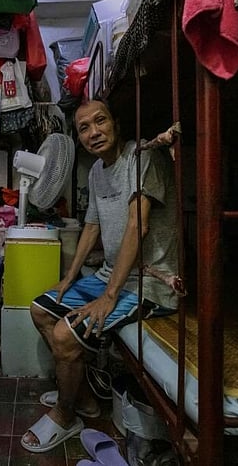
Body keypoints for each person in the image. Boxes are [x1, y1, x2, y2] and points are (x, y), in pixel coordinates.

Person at [20, 99, 181, 453]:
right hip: (111, 274)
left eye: (100, 121)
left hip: (149, 283)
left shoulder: (142, 158)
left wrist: (109, 296)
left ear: (116, 124)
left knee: (64, 335)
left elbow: (138, 225)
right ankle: (85, 400)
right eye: (84, 128)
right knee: (40, 310)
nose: (94, 132)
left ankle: (65, 414)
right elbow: (91, 225)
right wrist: (69, 277)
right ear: (78, 138)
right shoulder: (95, 171)